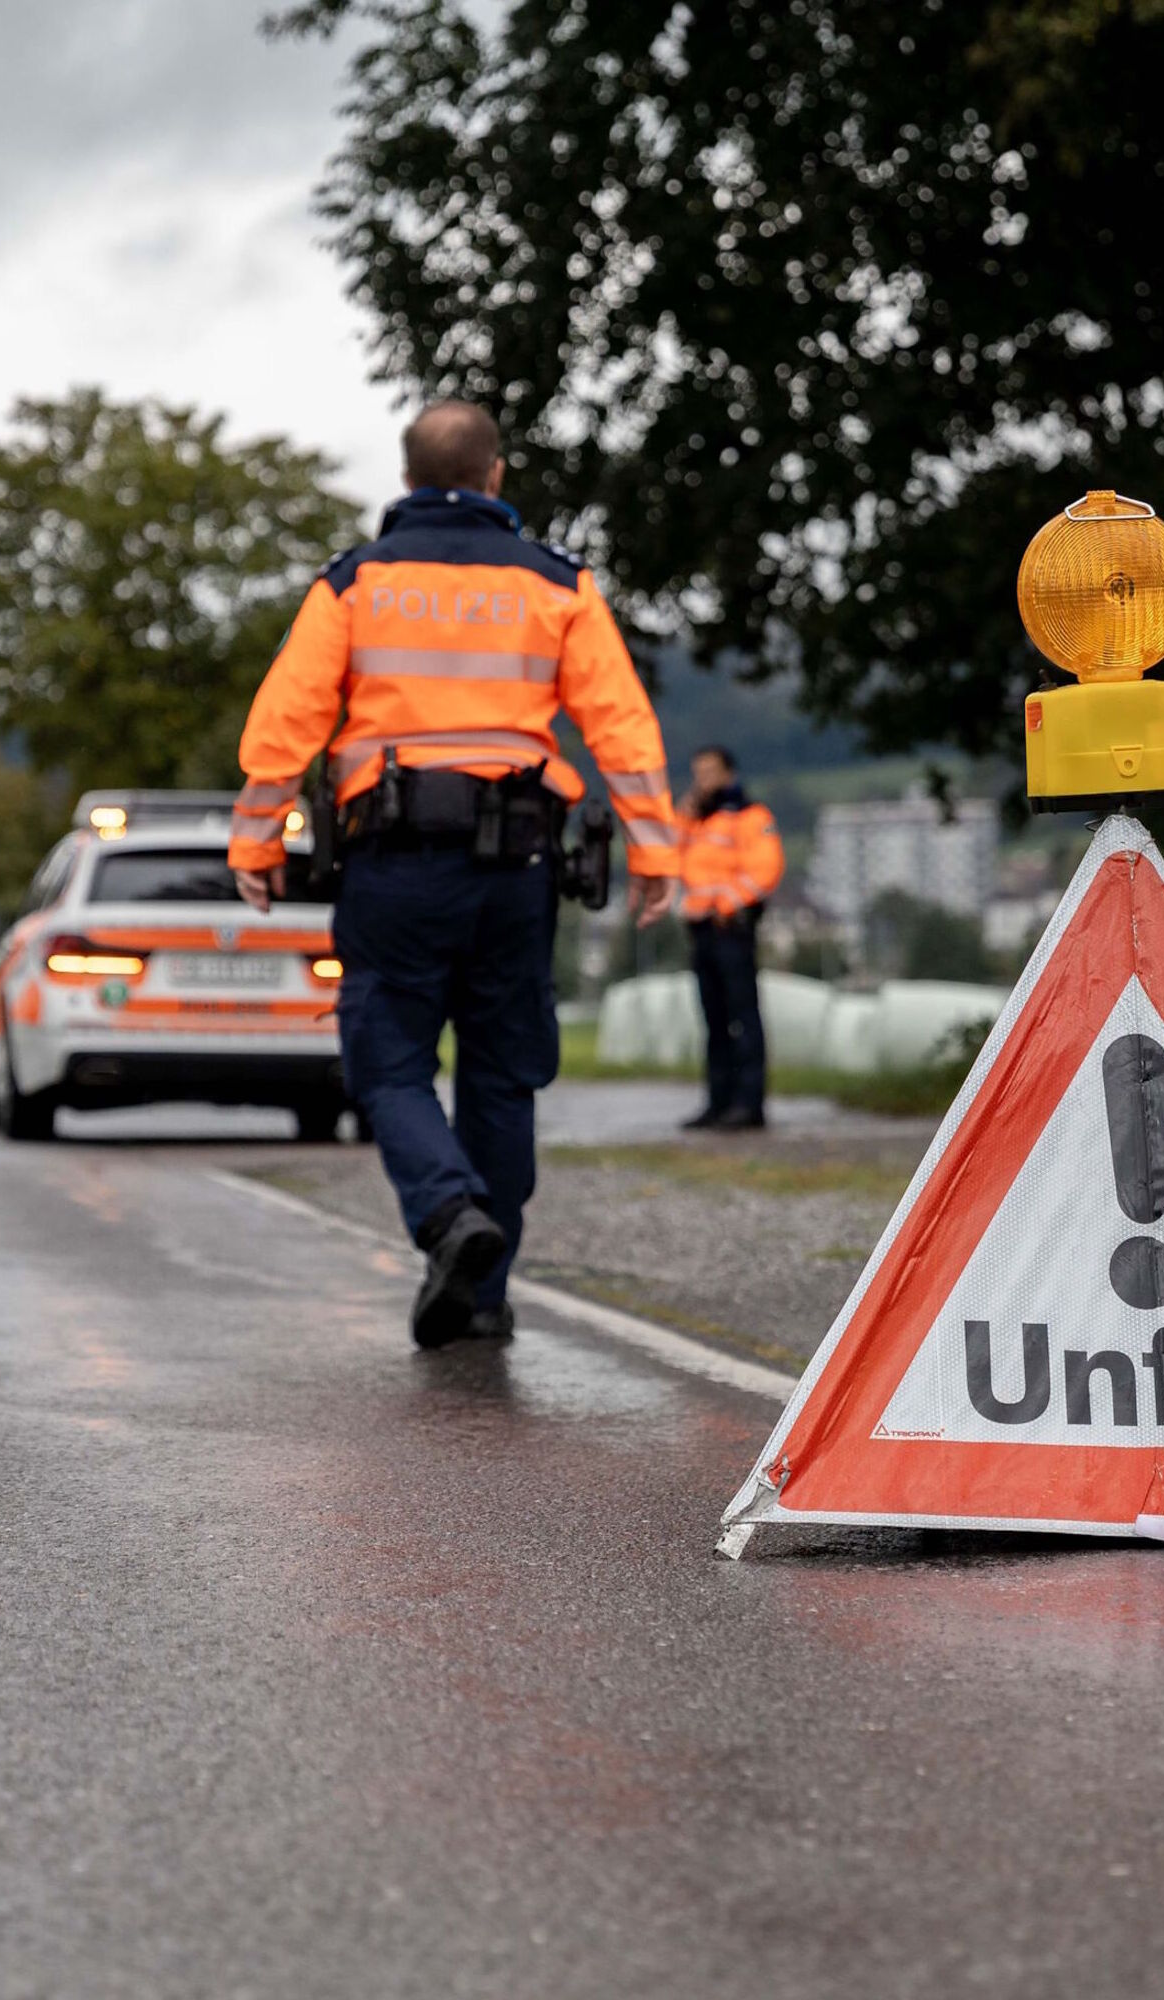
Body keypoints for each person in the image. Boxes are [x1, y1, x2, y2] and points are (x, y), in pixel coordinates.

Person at [227, 402, 680, 1348]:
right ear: (496, 476)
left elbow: (288, 719)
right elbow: (621, 728)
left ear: (405, 480)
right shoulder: (559, 584)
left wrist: (257, 841)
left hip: (393, 862)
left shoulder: (355, 583)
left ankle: (447, 1218)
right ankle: (482, 1292)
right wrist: (656, 846)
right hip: (516, 864)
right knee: (502, 1076)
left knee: (388, 1061)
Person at [678, 745, 784, 1131]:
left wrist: (727, 903)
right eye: (696, 772)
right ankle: (718, 1103)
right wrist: (686, 816)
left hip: (732, 929)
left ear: (728, 773)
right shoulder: (698, 822)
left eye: (708, 772)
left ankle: (748, 1104)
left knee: (743, 1018)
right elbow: (672, 855)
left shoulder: (750, 816)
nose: (701, 780)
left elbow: (766, 869)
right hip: (701, 930)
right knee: (713, 1020)